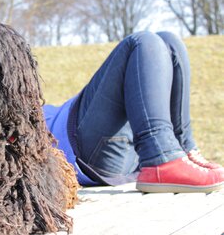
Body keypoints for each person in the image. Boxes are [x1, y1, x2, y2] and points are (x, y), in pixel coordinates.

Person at [44, 31, 224, 193]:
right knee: (142, 43)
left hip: (118, 155)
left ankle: (184, 149)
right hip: (77, 148)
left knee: (169, 42)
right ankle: (161, 157)